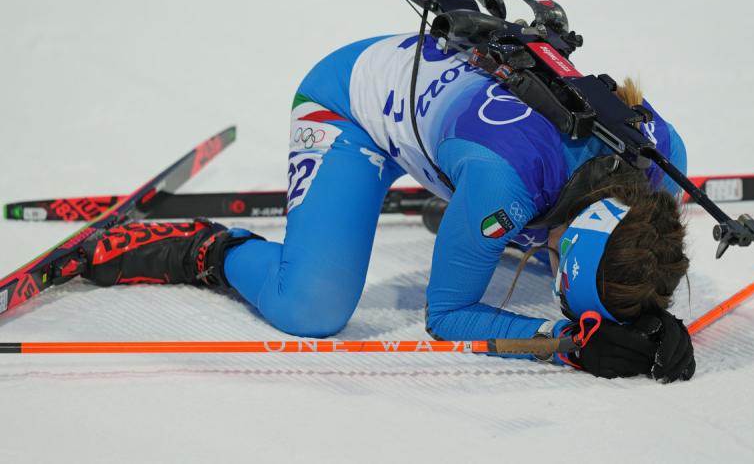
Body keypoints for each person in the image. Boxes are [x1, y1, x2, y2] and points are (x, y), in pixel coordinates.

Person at [77, 32, 695, 382]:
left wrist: (646, 315)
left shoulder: (665, 162)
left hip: (476, 144)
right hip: (350, 106)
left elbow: (622, 249)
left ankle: (465, 227)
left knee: (503, 216)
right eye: (562, 274)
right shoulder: (504, 188)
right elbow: (447, 316)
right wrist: (563, 340)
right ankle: (204, 250)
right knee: (310, 306)